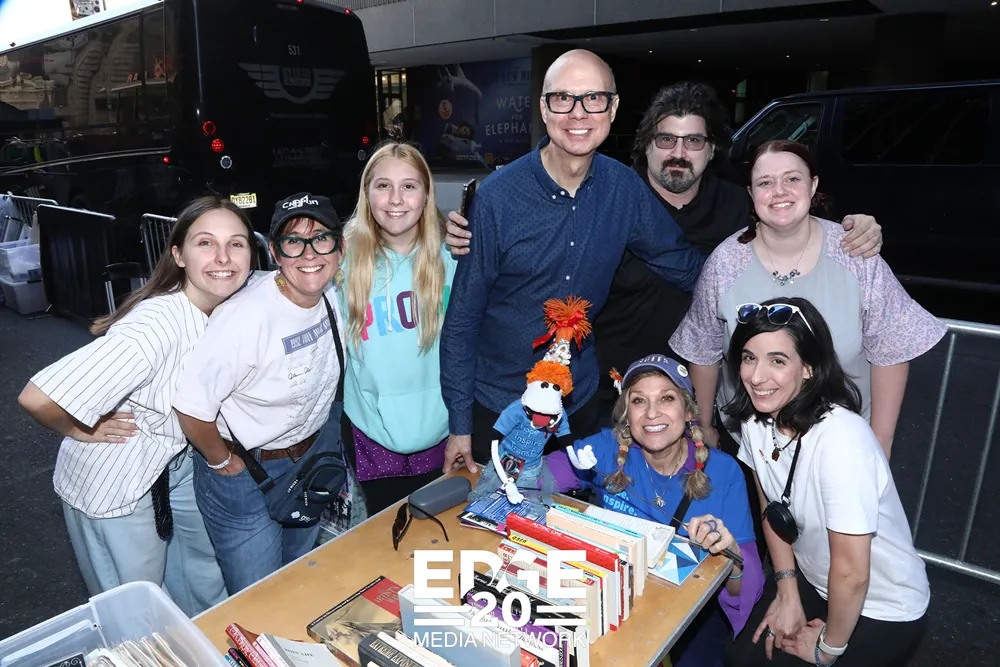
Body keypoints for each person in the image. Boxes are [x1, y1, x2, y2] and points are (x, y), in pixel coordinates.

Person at [445, 82, 885, 427]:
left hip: (710, 393)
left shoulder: (742, 207)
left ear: (712, 149)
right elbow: (540, 245)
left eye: (693, 141)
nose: (678, 153)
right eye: (666, 139)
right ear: (646, 145)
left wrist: (856, 227)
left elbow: (793, 225)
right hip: (612, 395)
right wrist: (465, 230)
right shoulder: (613, 195)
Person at [439, 50, 707, 474]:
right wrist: (459, 424)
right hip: (499, 408)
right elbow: (462, 319)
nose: (578, 113)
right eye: (563, 98)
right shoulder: (497, 198)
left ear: (612, 108)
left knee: (571, 514)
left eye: (593, 98)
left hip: (576, 407)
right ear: (544, 109)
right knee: (495, 512)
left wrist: (761, 266)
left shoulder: (623, 189)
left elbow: (682, 263)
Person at [18, 196, 255, 616]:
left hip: (174, 461)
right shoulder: (154, 328)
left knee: (203, 577)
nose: (223, 257)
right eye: (205, 243)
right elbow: (37, 397)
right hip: (116, 476)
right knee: (136, 605)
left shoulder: (225, 309)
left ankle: (205, 643)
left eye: (236, 244)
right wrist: (80, 428)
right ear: (178, 255)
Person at [670, 139, 946, 459]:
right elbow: (702, 348)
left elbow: (891, 349)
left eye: (792, 178)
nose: (779, 191)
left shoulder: (855, 253)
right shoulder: (725, 262)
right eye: (765, 183)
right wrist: (703, 426)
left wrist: (880, 443)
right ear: (751, 193)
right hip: (754, 443)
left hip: (841, 446)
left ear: (813, 185)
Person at [724, 297, 929, 666]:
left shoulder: (841, 441)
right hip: (816, 580)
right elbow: (772, 510)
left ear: (809, 367)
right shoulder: (756, 421)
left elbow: (852, 574)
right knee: (742, 659)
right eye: (749, 357)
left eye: (777, 360)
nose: (756, 376)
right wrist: (787, 589)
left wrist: (827, 648)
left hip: (883, 603)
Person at [174, 193, 347, 593]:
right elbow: (191, 408)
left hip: (309, 459)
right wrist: (222, 462)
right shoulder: (245, 318)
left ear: (339, 248)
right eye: (293, 242)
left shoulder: (332, 294)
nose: (309, 253)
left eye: (321, 238)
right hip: (248, 472)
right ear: (274, 252)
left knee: (298, 576)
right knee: (258, 595)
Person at [548, 354, 763, 667]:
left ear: (688, 410)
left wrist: (732, 557)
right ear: (627, 413)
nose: (651, 413)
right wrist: (531, 427)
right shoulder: (607, 448)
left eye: (666, 398)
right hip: (618, 602)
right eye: (639, 401)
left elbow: (745, 589)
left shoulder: (723, 471)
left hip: (690, 617)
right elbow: (535, 477)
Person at [340, 141, 456, 515]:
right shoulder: (341, 262)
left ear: (426, 195)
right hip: (372, 437)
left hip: (446, 432)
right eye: (383, 186)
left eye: (408, 186)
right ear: (367, 194)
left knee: (443, 536)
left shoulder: (455, 256)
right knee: (386, 537)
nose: (395, 199)